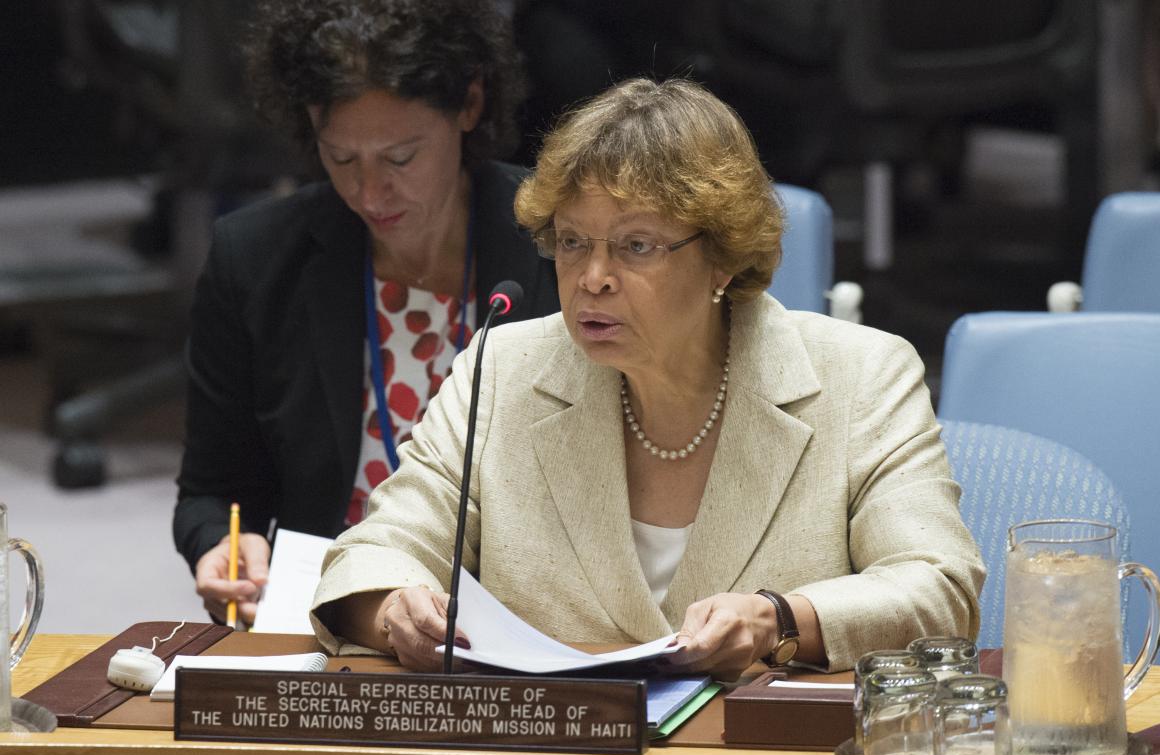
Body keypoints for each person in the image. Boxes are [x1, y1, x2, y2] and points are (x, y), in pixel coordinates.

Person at [311, 78, 984, 678]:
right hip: (554, 752)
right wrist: (393, 609)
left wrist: (780, 619)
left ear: (721, 257)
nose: (592, 278)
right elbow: (376, 552)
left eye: (636, 246)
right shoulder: (502, 371)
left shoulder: (861, 376)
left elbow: (938, 589)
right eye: (572, 242)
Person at [173, 0, 559, 625]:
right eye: (341, 158)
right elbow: (214, 489)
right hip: (338, 614)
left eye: (400, 158)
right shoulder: (256, 258)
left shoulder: (560, 243)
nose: (369, 192)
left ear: (469, 104)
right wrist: (221, 543)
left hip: (524, 617)